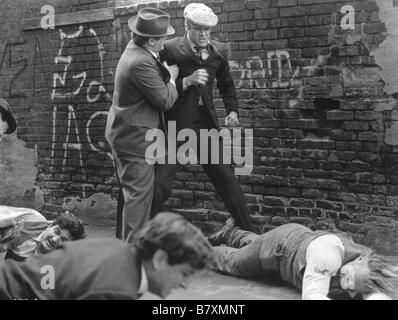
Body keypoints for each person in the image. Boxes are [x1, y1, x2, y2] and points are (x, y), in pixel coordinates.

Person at [152, 3, 253, 231]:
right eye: (199, 29)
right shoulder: (169, 49)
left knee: (227, 180)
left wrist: (232, 111)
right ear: (187, 26)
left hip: (206, 125)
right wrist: (185, 82)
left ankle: (251, 234)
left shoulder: (218, 51)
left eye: (208, 30)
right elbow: (158, 87)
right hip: (175, 126)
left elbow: (227, 85)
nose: (204, 34)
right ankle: (147, 235)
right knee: (160, 185)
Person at [0, 212, 213, 300]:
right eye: (184, 273)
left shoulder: (119, 251)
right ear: (159, 259)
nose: (185, 284)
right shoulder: (117, 288)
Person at [105, 8, 179, 241]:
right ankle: (131, 262)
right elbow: (165, 100)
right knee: (138, 201)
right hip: (135, 140)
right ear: (151, 40)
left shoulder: (136, 50)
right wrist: (173, 78)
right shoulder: (140, 62)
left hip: (128, 133)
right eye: (163, 38)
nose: (165, 42)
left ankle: (132, 252)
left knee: (137, 197)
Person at [209, 221, 398, 300]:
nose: (348, 289)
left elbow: (380, 287)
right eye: (348, 279)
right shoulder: (328, 256)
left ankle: (231, 232)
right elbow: (312, 295)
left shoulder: (369, 264)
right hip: (279, 248)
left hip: (297, 241)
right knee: (234, 263)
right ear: (359, 261)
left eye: (355, 289)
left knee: (254, 243)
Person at [0, 205, 85, 261]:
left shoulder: (54, 262)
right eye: (56, 231)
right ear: (50, 225)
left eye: (63, 239)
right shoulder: (34, 220)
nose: (55, 239)